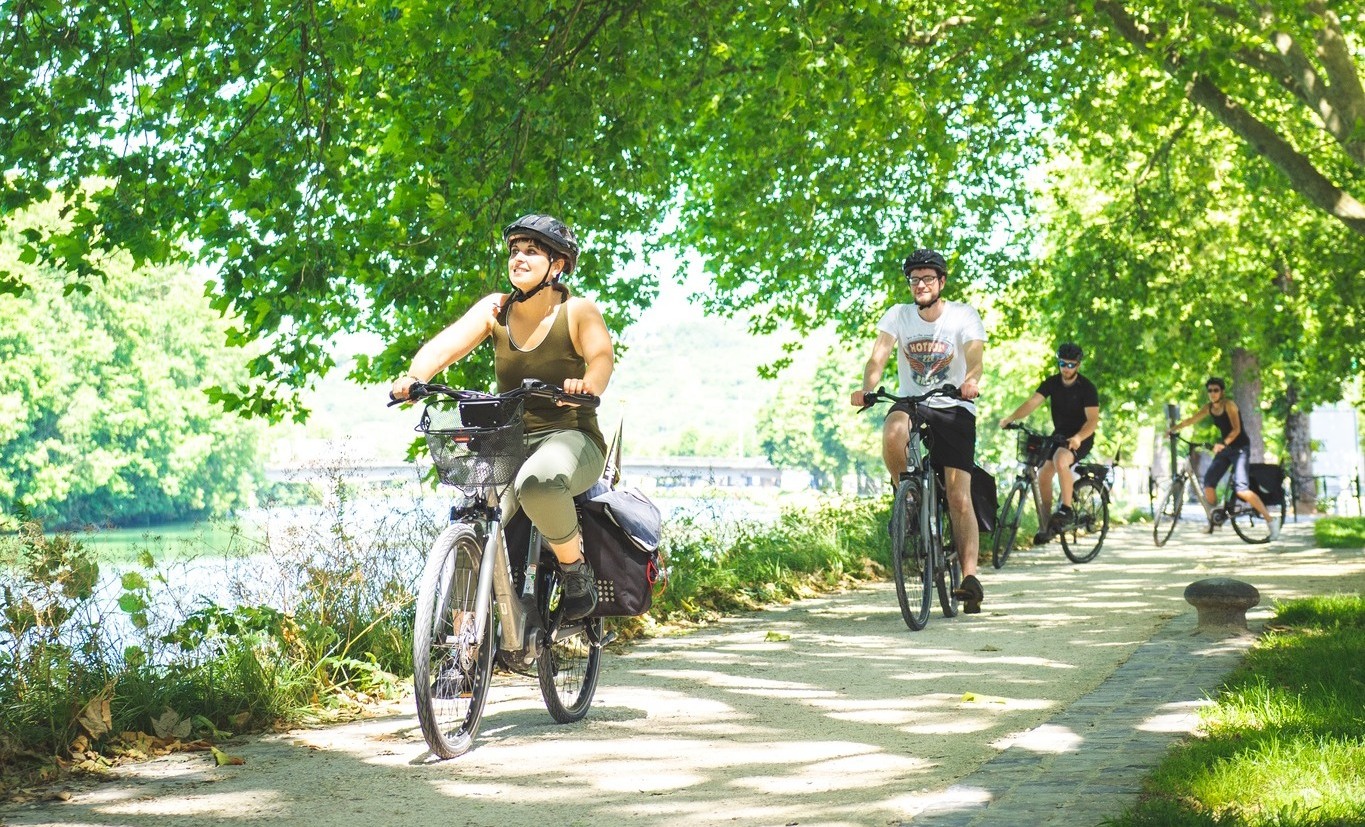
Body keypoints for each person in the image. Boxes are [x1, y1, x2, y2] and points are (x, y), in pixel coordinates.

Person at [391, 214, 615, 619]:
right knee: (476, 512)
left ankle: (574, 570)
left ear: (557, 265)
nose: (519, 258)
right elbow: (444, 346)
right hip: (509, 440)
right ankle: (462, 639)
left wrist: (587, 386)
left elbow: (601, 358)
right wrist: (414, 376)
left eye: (531, 251)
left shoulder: (577, 311)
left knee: (538, 483)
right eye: (515, 251)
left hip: (570, 436)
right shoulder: (496, 309)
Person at [850, 248, 988, 613]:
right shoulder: (898, 314)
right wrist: (867, 388)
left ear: (941, 282)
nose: (920, 285)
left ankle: (969, 579)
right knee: (893, 430)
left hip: (954, 405)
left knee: (958, 497)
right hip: (914, 402)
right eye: (914, 279)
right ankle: (907, 499)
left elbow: (975, 356)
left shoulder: (963, 315)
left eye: (927, 278)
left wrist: (971, 381)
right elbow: (878, 357)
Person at [998, 342, 1100, 545]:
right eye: (1062, 364)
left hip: (1081, 436)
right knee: (1043, 474)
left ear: (1078, 365)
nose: (1066, 368)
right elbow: (1032, 402)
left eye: (1071, 365)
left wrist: (1078, 438)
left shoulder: (1087, 388)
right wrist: (1011, 418)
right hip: (1059, 435)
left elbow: (1092, 421)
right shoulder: (1052, 383)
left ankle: (1066, 509)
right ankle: (1046, 525)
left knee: (1061, 459)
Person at [1167, 376, 1279, 540]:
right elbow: (1191, 420)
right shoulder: (1209, 408)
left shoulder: (1229, 405)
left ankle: (1271, 521)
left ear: (1222, 392)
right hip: (1225, 449)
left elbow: (1236, 429)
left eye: (1216, 390)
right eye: (1210, 390)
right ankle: (1215, 519)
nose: (1213, 393)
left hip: (1240, 449)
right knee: (1209, 483)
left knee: (1242, 489)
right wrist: (1173, 429)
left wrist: (1223, 444)